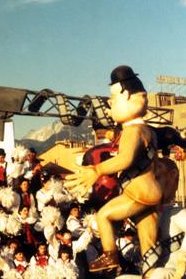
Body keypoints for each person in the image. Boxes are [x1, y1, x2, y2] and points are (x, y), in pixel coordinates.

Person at [66, 66, 163, 272]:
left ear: (127, 96)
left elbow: (125, 159)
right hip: (149, 192)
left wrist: (97, 170)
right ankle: (152, 271)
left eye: (113, 99)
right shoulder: (148, 130)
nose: (109, 105)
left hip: (140, 194)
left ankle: (110, 256)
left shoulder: (133, 131)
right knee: (148, 244)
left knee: (104, 216)